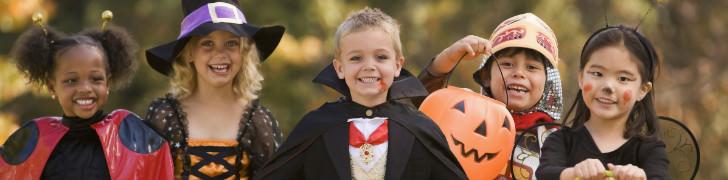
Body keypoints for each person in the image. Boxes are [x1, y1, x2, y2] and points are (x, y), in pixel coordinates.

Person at [255, 7, 467, 180]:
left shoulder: (420, 128)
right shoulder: (315, 126)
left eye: (381, 57)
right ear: (339, 68)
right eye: (356, 58)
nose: (369, 66)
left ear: (397, 65)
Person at [0, 11, 173, 179]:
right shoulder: (35, 141)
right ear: (52, 87)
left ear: (108, 82)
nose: (85, 88)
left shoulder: (133, 135)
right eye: (71, 81)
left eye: (96, 79)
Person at [143, 0, 285, 179]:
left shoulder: (258, 122)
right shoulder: (164, 117)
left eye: (231, 43)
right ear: (189, 53)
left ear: (244, 52)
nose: (220, 54)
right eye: (207, 43)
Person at [416, 13, 562, 179]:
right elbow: (421, 107)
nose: (519, 73)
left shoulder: (557, 141)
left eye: (532, 67)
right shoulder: (462, 113)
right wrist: (449, 56)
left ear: (547, 82)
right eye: (507, 64)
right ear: (486, 75)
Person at [536, 25, 669, 180]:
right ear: (581, 78)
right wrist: (572, 174)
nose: (608, 86)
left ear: (643, 90)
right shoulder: (560, 141)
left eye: (623, 79)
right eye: (597, 74)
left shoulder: (651, 150)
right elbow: (545, 174)